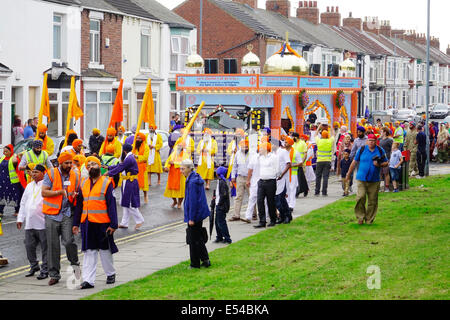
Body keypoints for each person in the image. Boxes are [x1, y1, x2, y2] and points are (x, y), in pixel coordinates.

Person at [73, 156, 118, 289]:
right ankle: (88, 280)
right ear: (87, 168)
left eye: (94, 164)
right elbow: (79, 205)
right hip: (87, 223)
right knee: (89, 252)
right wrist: (76, 223)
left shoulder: (107, 182)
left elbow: (111, 205)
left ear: (100, 167)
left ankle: (110, 273)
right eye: (89, 165)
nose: (91, 166)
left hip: (102, 223)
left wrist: (113, 224)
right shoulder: (83, 183)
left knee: (105, 251)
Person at [41, 152, 80, 285]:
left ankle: (76, 267)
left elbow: (77, 191)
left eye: (71, 163)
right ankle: (54, 275)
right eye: (66, 163)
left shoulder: (75, 174)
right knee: (53, 245)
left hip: (67, 213)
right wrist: (59, 192)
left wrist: (75, 195)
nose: (69, 165)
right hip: (52, 214)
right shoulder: (51, 173)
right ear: (60, 163)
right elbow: (44, 192)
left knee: (69, 242)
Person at [345, 134, 389, 225]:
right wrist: (348, 174)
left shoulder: (380, 150)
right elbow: (354, 162)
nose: (371, 142)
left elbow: (386, 162)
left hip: (374, 179)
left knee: (372, 200)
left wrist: (379, 165)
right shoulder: (361, 150)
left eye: (373, 140)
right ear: (367, 141)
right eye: (369, 140)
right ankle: (360, 216)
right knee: (360, 197)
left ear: (376, 141)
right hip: (361, 178)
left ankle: (369, 219)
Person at [16, 164, 48, 279]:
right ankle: (34, 265)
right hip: (30, 223)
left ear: (43, 173)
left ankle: (45, 269)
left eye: (36, 172)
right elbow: (23, 203)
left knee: (45, 248)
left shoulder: (47, 185)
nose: (33, 174)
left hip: (43, 222)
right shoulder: (29, 186)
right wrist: (20, 218)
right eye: (32, 172)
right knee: (29, 246)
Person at [180, 159, 211, 269]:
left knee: (193, 240)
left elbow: (193, 202)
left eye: (183, 169)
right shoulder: (194, 178)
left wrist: (191, 218)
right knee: (198, 238)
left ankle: (195, 264)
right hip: (199, 213)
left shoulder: (192, 182)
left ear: (189, 168)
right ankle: (205, 260)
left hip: (195, 215)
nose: (181, 171)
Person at [108, 144, 144, 230]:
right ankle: (124, 223)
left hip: (130, 182)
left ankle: (139, 220)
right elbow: (120, 165)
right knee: (124, 202)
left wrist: (109, 173)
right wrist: (108, 167)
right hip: (126, 181)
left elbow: (121, 167)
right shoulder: (129, 157)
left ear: (124, 151)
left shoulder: (129, 158)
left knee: (130, 202)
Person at [254, 142, 278, 228]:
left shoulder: (273, 157)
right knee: (260, 201)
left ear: (265, 149)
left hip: (270, 181)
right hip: (261, 181)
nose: (259, 150)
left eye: (260, 148)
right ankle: (262, 221)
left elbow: (277, 169)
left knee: (270, 201)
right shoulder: (259, 158)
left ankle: (273, 219)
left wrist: (273, 176)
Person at [229, 139, 252, 222]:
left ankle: (254, 214)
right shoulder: (238, 154)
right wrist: (232, 177)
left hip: (250, 178)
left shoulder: (252, 154)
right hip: (240, 177)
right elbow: (234, 166)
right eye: (243, 147)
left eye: (246, 146)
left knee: (252, 196)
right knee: (238, 196)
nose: (245, 148)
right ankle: (236, 215)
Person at [164, 140, 189, 209]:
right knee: (171, 189)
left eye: (180, 146)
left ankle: (179, 203)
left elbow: (185, 163)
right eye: (178, 145)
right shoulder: (173, 154)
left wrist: (174, 163)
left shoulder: (185, 154)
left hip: (181, 174)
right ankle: (174, 201)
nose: (179, 147)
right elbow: (168, 161)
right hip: (172, 173)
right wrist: (166, 166)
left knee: (181, 190)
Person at [0, 145, 22, 218]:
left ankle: (17, 211)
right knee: (1, 195)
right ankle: (0, 211)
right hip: (2, 181)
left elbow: (19, 168)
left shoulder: (14, 159)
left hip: (13, 181)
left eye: (6, 151)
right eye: (4, 151)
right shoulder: (2, 158)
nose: (4, 153)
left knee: (15, 196)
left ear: (11, 151)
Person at [213, 166, 232, 244]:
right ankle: (219, 237)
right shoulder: (220, 181)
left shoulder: (222, 182)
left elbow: (223, 195)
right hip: (219, 204)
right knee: (217, 222)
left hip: (221, 206)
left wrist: (219, 204)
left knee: (221, 222)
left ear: (218, 174)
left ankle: (227, 238)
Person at [276, 137, 292, 224]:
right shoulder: (273, 153)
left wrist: (282, 175)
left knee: (281, 198)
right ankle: (282, 216)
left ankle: (287, 215)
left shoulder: (283, 152)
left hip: (282, 179)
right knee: (276, 200)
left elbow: (288, 164)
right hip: (275, 179)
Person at [314, 130, 334, 196]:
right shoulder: (329, 141)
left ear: (322, 135)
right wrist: (331, 127)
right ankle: (324, 192)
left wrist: (319, 127)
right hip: (327, 161)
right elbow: (333, 135)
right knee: (325, 177)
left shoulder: (319, 141)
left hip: (319, 161)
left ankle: (317, 191)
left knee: (318, 177)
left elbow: (315, 135)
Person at [133, 132, 150, 203]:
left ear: (142, 139)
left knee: (144, 183)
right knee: (135, 183)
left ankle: (145, 196)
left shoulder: (146, 146)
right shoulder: (134, 146)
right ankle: (136, 197)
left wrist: (137, 156)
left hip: (143, 167)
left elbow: (145, 157)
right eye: (137, 138)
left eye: (139, 138)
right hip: (135, 167)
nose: (137, 139)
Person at [379, 127, 393, 192]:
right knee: (380, 174)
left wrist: (390, 159)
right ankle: (379, 187)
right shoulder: (381, 139)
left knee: (386, 173)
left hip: (387, 158)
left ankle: (387, 187)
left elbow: (392, 150)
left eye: (381, 131)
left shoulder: (389, 140)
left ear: (385, 132)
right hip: (380, 159)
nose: (380, 132)